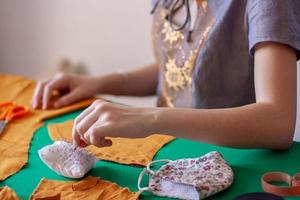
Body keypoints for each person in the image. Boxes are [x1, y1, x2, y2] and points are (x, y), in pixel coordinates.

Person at [32, 0, 300, 150]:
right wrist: (101, 83)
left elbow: (276, 123)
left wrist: (150, 118)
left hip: (233, 158)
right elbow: (179, 69)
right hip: (166, 151)